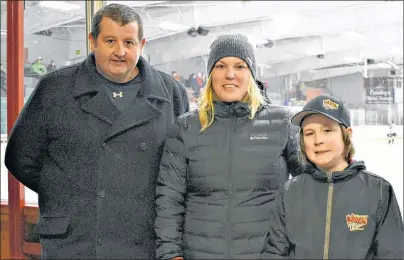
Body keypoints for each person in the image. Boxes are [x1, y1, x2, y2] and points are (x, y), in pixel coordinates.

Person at [5, 3, 189, 259]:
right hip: (75, 242)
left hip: (143, 242)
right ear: (93, 41)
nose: (120, 51)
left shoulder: (172, 94)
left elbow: (179, 168)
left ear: (142, 44)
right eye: (110, 41)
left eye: (129, 42)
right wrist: (71, 191)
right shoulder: (55, 89)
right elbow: (20, 157)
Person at [154, 34, 303, 260]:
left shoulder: (283, 124)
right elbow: (169, 199)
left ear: (251, 74)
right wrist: (170, 253)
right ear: (210, 74)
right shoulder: (186, 128)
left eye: (239, 66)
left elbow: (312, 185)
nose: (230, 74)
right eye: (221, 65)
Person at [262, 94, 403, 259]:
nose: (318, 140)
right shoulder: (289, 192)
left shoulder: (379, 191)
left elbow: (392, 253)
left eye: (327, 130)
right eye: (309, 133)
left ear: (347, 134)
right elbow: (275, 252)